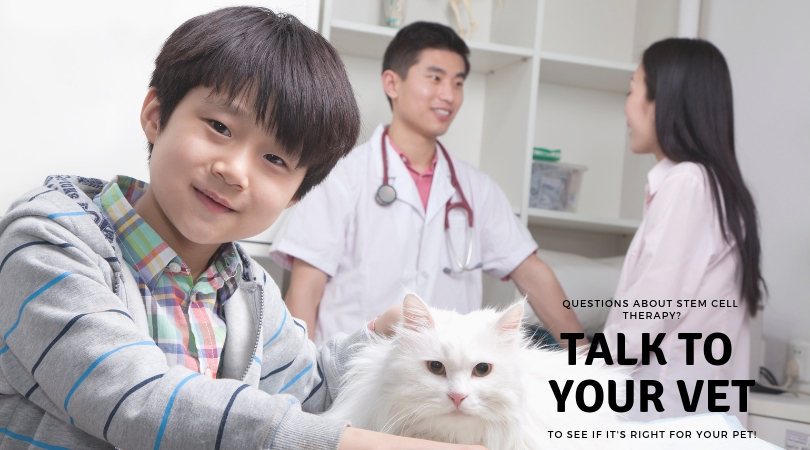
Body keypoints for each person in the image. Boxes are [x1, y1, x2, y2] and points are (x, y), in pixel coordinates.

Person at [0, 7, 485, 450]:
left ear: (296, 193)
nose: (234, 170)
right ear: (155, 115)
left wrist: (381, 331)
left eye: (275, 159)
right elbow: (138, 402)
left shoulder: (247, 290)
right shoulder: (48, 246)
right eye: (219, 127)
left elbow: (310, 393)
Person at [269, 21, 586, 346]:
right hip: (357, 378)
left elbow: (532, 272)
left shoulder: (476, 188)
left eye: (458, 82)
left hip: (451, 381)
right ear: (392, 83)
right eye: (435, 78)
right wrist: (303, 383)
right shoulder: (341, 176)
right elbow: (305, 293)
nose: (448, 95)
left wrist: (586, 357)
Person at [601, 38, 765, 425]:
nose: (626, 109)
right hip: (693, 417)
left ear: (664, 100)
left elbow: (645, 321)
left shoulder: (688, 183)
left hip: (669, 418)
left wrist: (567, 375)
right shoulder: (716, 187)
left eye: (632, 90)